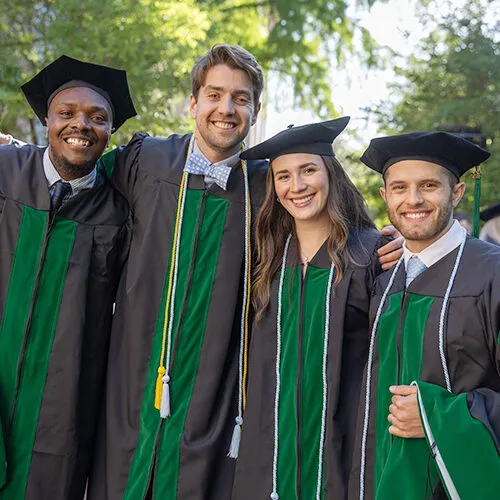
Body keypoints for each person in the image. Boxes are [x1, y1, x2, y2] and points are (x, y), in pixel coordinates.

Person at [84, 45, 402, 500]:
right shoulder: (145, 161)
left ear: (255, 110)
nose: (226, 109)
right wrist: (17, 157)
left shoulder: (266, 183)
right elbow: (78, 181)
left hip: (215, 399)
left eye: (241, 98)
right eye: (214, 95)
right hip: (132, 383)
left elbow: (327, 222)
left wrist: (393, 239)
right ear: (194, 103)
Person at [0, 55, 136, 499]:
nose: (82, 125)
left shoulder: (121, 209)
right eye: (67, 113)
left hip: (59, 415)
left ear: (110, 132)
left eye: (98, 118)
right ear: (45, 120)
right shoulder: (4, 172)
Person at [231, 118, 388, 499]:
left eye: (308, 170)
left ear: (330, 174)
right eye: (283, 176)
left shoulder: (371, 255)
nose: (296, 186)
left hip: (342, 445)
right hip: (267, 449)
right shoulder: (266, 259)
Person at [350, 131, 500, 500]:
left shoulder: (492, 274)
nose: (413, 199)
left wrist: (439, 418)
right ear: (386, 197)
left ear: (458, 192)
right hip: (380, 480)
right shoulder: (384, 282)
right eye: (399, 187)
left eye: (429, 185)